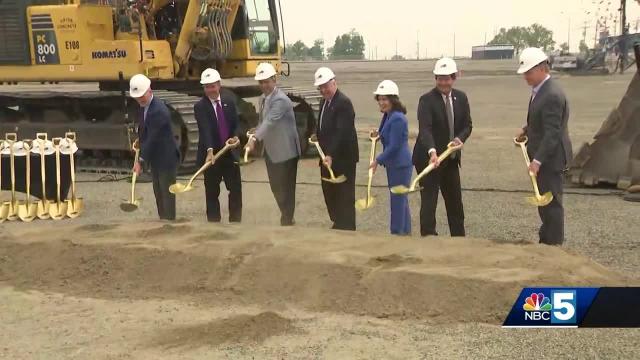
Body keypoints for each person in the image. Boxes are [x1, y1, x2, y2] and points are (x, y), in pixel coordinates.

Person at [516, 47, 573, 246]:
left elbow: (553, 133)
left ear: (542, 68)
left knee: (552, 204)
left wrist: (537, 161)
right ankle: (546, 241)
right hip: (545, 157)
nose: (526, 77)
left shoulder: (551, 95)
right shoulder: (541, 90)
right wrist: (526, 130)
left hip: (551, 159)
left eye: (528, 72)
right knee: (544, 203)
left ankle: (554, 247)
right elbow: (540, 121)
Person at [413, 58, 472, 237]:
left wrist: (459, 139)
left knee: (455, 203)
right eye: (439, 78)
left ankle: (459, 240)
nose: (443, 82)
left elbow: (467, 125)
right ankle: (429, 239)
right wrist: (432, 151)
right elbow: (425, 129)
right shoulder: (426, 100)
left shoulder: (461, 98)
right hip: (429, 160)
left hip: (451, 160)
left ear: (454, 78)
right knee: (429, 203)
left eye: (447, 78)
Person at [246, 63, 301, 226]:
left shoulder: (281, 100)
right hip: (271, 150)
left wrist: (254, 139)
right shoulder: (263, 98)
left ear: (274, 80)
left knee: (286, 187)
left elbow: (270, 121)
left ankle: (287, 219)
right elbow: (263, 121)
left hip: (287, 151)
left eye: (267, 81)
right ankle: (286, 215)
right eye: (261, 82)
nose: (264, 85)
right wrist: (254, 131)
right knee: (275, 186)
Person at [194, 68, 242, 223]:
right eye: (207, 87)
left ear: (219, 85)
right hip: (212, 157)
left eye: (212, 86)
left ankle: (235, 222)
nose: (210, 90)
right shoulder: (200, 106)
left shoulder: (229, 101)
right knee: (212, 192)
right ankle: (214, 225)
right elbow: (205, 129)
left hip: (229, 153)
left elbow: (236, 123)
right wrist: (209, 150)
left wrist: (235, 137)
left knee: (235, 190)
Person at [314, 67, 358, 231]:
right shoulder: (323, 101)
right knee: (329, 193)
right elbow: (323, 125)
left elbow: (342, 132)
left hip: (343, 159)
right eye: (321, 87)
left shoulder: (343, 103)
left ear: (334, 83)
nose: (324, 90)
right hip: (326, 158)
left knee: (344, 196)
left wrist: (331, 154)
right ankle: (338, 222)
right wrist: (316, 136)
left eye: (326, 85)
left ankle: (347, 227)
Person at [130, 74, 180, 220]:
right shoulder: (144, 106)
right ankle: (163, 220)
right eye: (137, 97)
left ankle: (169, 223)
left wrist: (140, 161)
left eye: (142, 96)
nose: (140, 99)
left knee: (167, 194)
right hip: (156, 159)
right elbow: (145, 131)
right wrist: (139, 140)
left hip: (166, 158)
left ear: (150, 90)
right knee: (158, 192)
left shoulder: (158, 110)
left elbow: (153, 138)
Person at [369, 80, 412, 235]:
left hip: (400, 165)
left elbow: (394, 146)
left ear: (393, 100)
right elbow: (385, 134)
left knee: (398, 201)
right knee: (401, 200)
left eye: (385, 99)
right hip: (394, 165)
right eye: (379, 99)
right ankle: (405, 233)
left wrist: (377, 161)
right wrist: (377, 135)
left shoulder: (398, 118)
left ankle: (397, 235)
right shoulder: (388, 116)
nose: (381, 102)